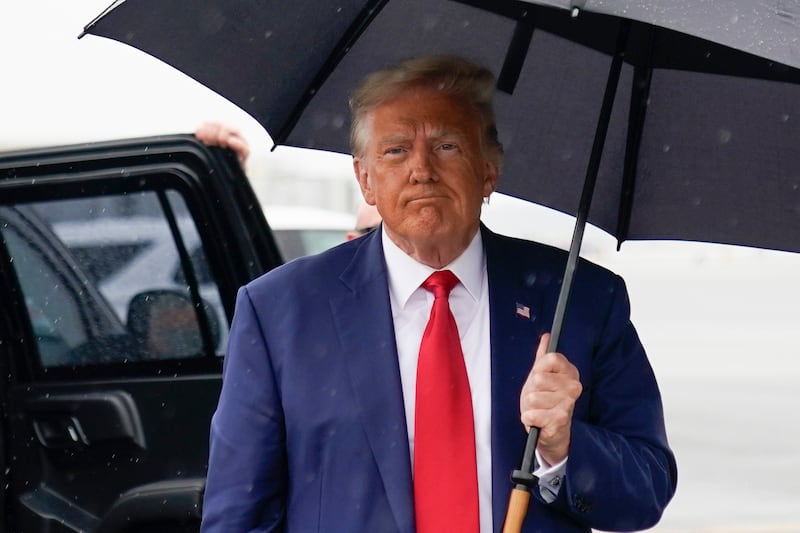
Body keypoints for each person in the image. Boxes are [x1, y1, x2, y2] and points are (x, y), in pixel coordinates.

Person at [201, 55, 676, 532]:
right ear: (365, 180)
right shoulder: (281, 311)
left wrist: (563, 445)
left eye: (447, 146)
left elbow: (647, 489)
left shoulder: (581, 300)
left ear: (488, 170)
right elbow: (238, 517)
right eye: (396, 150)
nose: (422, 170)